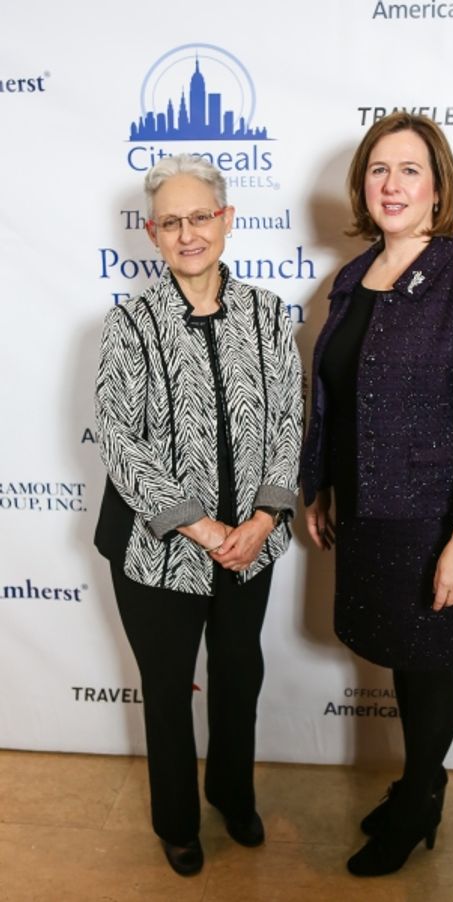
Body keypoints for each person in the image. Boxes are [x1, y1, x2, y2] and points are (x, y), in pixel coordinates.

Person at [301, 112, 453, 877]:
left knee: (427, 666)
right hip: (363, 510)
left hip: (430, 518)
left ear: (438, 188)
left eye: (409, 170)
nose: (391, 185)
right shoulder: (352, 278)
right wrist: (320, 483)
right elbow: (333, 394)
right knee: (400, 658)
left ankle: (423, 798)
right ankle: (414, 783)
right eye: (378, 170)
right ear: (363, 185)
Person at [94, 153, 303, 877]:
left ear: (227, 221)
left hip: (252, 546)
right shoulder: (129, 326)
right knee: (167, 691)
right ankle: (178, 822)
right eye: (172, 222)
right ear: (153, 234)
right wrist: (203, 527)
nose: (189, 234)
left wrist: (265, 524)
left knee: (240, 677)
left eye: (201, 217)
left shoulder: (270, 316)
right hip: (159, 555)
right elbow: (120, 442)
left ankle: (232, 795)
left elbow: (287, 427)